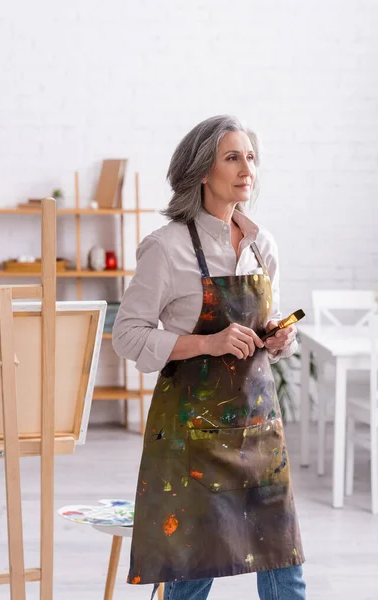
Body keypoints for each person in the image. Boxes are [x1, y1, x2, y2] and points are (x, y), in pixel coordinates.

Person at [112, 115, 306, 600]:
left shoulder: (264, 246)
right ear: (203, 170)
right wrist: (207, 342)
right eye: (233, 157)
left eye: (251, 157)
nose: (247, 169)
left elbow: (271, 321)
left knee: (284, 561)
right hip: (192, 441)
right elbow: (127, 335)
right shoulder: (166, 248)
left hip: (259, 432)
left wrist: (281, 339)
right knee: (192, 570)